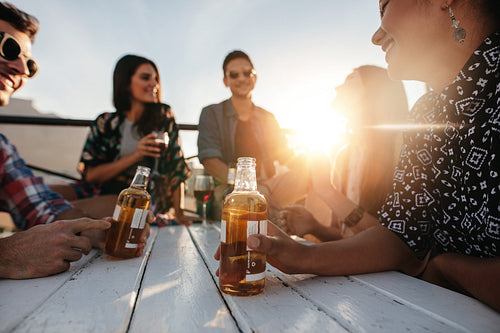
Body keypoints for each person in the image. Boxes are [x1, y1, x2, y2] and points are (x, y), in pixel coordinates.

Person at [215, 0, 500, 312]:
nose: (376, 36)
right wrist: (299, 254)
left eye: (385, 5)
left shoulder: (402, 135)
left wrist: (448, 269)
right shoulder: (428, 112)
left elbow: (406, 246)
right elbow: (401, 234)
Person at [0, 2, 150, 280]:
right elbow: (89, 174)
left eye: (30, 64)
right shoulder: (106, 122)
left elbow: (39, 204)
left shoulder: (2, 148)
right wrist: (6, 254)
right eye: (8, 47)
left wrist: (96, 232)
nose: (21, 68)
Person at [54, 55, 191, 225]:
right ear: (126, 83)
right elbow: (91, 176)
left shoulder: (163, 116)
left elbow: (176, 167)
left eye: (155, 79)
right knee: (42, 193)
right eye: (145, 78)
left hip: (139, 196)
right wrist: (136, 155)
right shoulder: (106, 122)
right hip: (99, 189)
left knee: (57, 210)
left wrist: (180, 212)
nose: (154, 84)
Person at [279, 65, 408, 241]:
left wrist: (327, 190)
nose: (337, 87)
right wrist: (314, 227)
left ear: (376, 90)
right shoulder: (344, 156)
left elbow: (398, 242)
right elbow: (341, 235)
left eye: (351, 79)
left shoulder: (402, 145)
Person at [197, 50, 307, 219]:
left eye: (247, 73)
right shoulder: (211, 113)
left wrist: (310, 162)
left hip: (269, 188)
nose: (241, 78)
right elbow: (210, 162)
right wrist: (247, 189)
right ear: (226, 81)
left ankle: (332, 239)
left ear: (255, 77)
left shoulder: (268, 117)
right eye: (234, 75)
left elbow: (285, 155)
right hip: (230, 190)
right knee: (258, 212)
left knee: (317, 174)